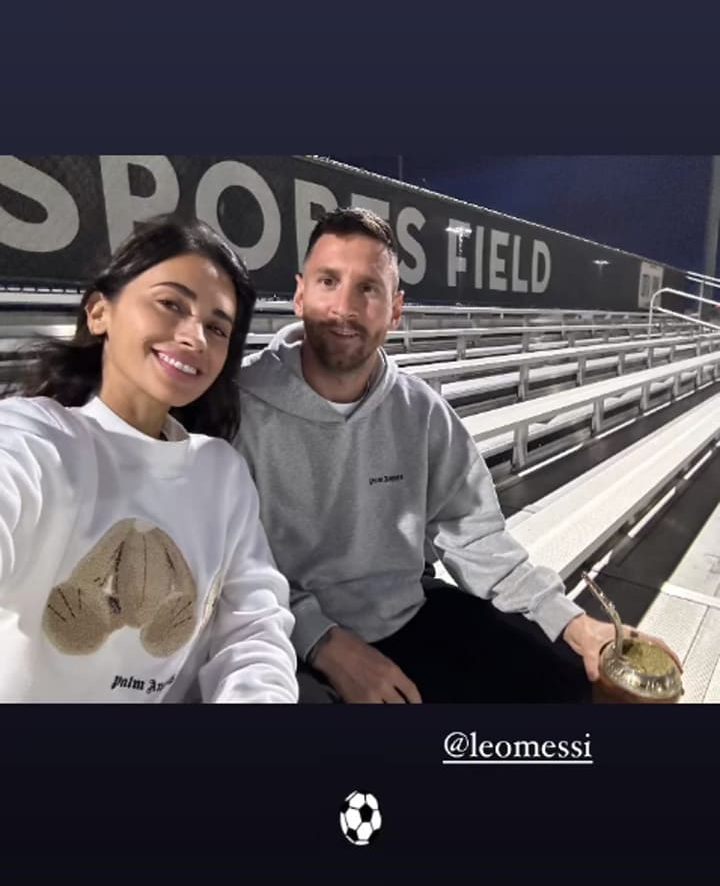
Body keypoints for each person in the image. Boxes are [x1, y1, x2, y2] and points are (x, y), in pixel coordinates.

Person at [236, 208, 680, 703]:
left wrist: (573, 622)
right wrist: (323, 642)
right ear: (300, 293)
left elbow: (476, 538)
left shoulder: (421, 411)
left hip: (408, 614)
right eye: (328, 281)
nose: (345, 306)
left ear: (396, 308)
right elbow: (231, 569)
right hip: (286, 635)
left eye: (368, 288)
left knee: (578, 683)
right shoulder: (240, 407)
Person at [0, 218, 297, 703]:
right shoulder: (37, 438)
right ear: (99, 312)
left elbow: (253, 629)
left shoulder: (221, 472)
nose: (195, 337)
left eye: (217, 328)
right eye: (171, 304)